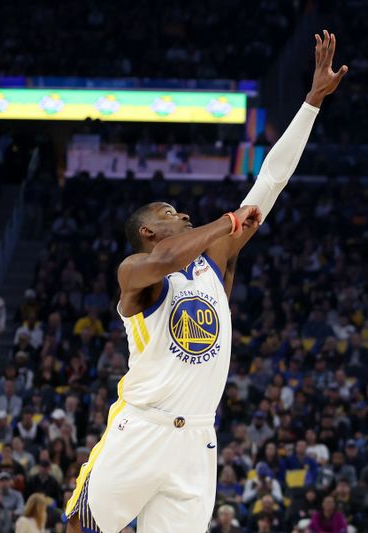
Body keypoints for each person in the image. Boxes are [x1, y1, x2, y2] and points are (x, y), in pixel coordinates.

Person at [65, 30, 347, 533]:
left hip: (197, 440)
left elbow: (271, 182)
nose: (185, 213)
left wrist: (311, 103)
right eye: (170, 212)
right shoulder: (135, 271)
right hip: (141, 428)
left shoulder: (212, 261)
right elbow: (167, 259)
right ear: (148, 231)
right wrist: (229, 222)